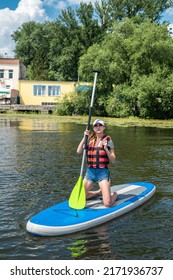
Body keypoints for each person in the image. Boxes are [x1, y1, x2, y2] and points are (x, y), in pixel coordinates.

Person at [77, 119, 117, 207]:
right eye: (96, 125)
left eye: (100, 125)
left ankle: (114, 195)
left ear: (104, 127)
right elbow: (79, 151)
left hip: (102, 174)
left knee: (107, 204)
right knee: (80, 198)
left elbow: (113, 160)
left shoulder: (108, 140)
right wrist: (84, 137)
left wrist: (106, 149)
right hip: (90, 174)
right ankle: (97, 193)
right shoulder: (89, 139)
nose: (98, 127)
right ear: (93, 128)